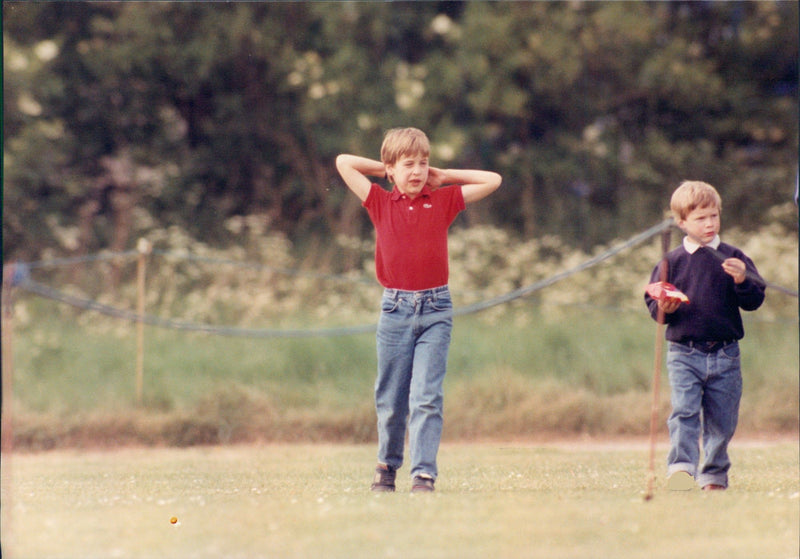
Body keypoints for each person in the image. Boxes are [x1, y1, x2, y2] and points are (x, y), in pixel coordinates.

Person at [336, 127, 502, 493]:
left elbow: (493, 179)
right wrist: (385, 170)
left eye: (423, 163)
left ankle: (423, 473)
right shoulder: (379, 201)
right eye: (409, 164)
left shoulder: (442, 200)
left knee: (426, 396)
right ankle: (387, 466)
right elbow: (343, 162)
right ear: (392, 169)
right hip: (395, 310)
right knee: (392, 398)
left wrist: (445, 176)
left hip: (436, 310)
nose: (417, 171)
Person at [645, 180, 765, 491]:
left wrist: (742, 280)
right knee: (684, 411)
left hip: (726, 353)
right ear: (681, 222)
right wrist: (665, 307)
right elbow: (654, 305)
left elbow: (754, 299)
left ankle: (713, 476)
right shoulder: (671, 261)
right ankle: (682, 469)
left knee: (721, 421)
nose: (709, 223)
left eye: (714, 216)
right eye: (700, 218)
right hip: (684, 353)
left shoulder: (733, 256)